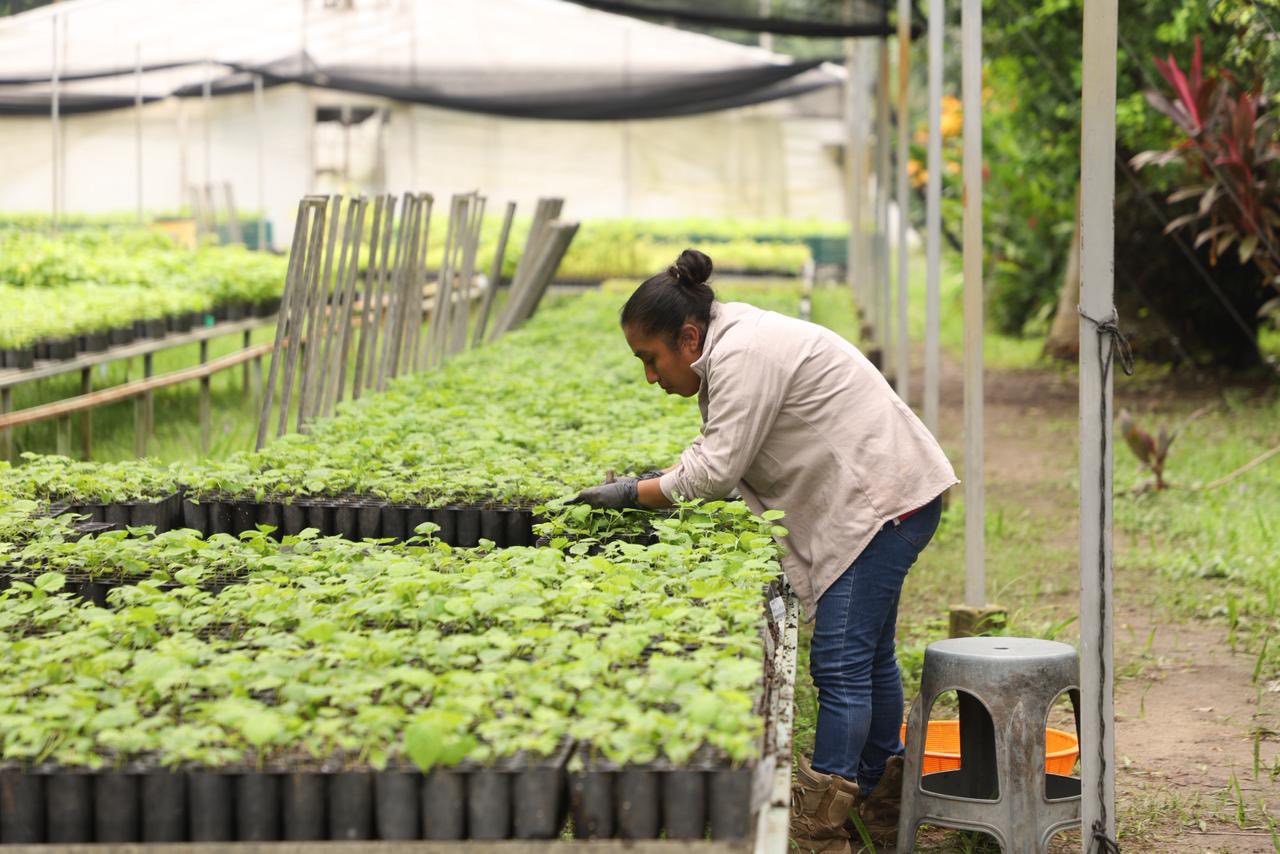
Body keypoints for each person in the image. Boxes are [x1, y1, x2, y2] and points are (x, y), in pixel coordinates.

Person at [573, 248, 958, 852]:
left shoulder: (744, 353)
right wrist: (657, 479)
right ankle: (884, 800)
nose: (650, 376)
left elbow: (714, 472)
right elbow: (716, 450)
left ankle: (823, 825)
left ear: (688, 337)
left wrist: (632, 494)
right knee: (869, 656)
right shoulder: (735, 343)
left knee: (840, 663)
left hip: (881, 505)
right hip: (889, 494)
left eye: (649, 359)